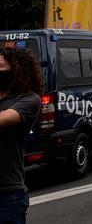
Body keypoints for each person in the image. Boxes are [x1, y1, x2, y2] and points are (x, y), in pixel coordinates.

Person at [0, 48, 44, 224]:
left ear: (16, 70)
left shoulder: (29, 100)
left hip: (6, 194)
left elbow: (3, 119)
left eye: (1, 66)